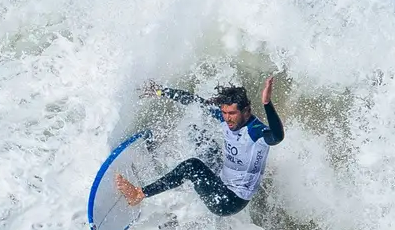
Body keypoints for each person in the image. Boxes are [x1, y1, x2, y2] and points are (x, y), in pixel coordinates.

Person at [114, 76, 284, 217]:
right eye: (224, 113)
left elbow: (277, 136)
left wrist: (267, 103)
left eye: (232, 114)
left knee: (192, 166)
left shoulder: (256, 132)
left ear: (246, 111)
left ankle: (139, 194)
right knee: (198, 135)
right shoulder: (226, 118)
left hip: (229, 201)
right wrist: (160, 91)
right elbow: (195, 101)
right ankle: (160, 157)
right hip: (222, 178)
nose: (227, 118)